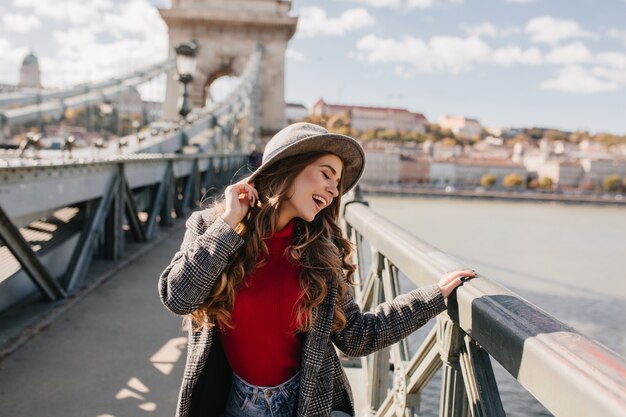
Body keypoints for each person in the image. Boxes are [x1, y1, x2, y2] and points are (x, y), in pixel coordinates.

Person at [158, 122, 475, 417]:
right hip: (233, 400)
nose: (334, 190)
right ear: (289, 167)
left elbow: (356, 336)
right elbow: (179, 298)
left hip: (303, 403)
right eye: (326, 175)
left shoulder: (323, 252)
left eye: (337, 184)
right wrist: (229, 223)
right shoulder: (210, 227)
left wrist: (434, 297)